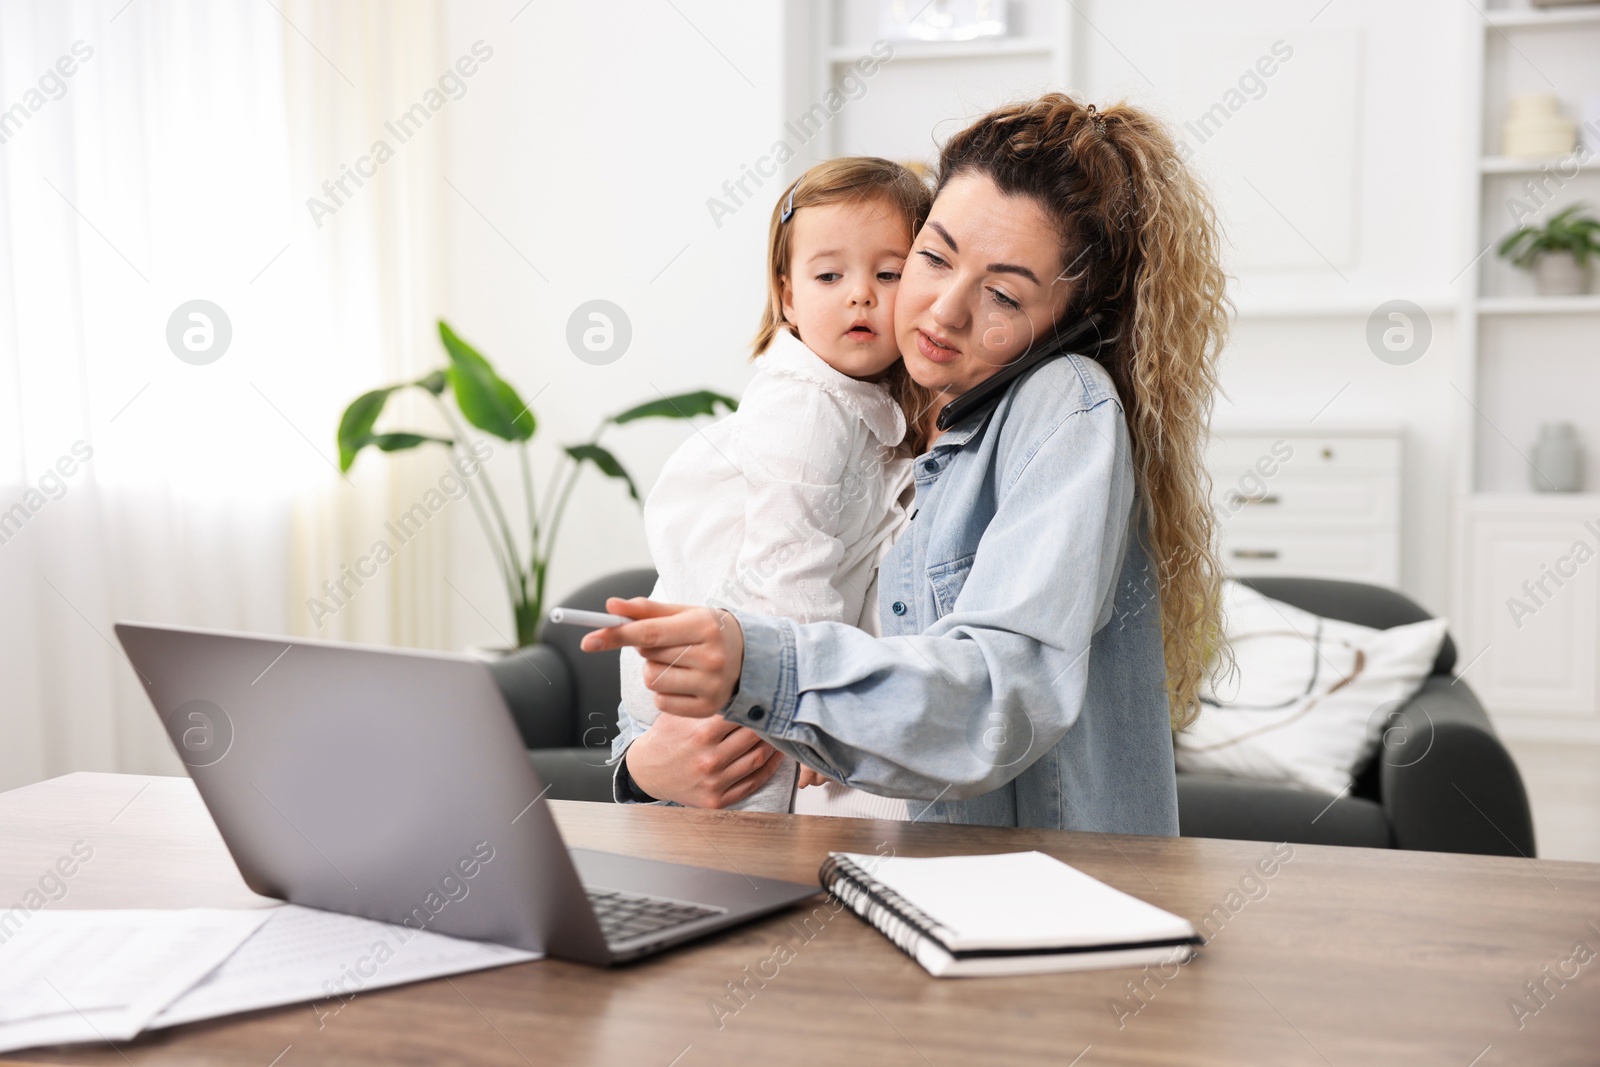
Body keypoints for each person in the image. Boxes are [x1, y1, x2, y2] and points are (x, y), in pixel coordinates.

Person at [594, 94, 1233, 835]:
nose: (942, 310)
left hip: (997, 906)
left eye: (1001, 293)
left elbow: (1005, 694)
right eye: (932, 257)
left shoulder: (1062, 407)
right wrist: (644, 769)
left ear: (1074, 316)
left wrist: (770, 673)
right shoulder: (843, 409)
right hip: (810, 883)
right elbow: (690, 626)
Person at [615, 157, 934, 814]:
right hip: (724, 669)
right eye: (829, 275)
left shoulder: (861, 407)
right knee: (749, 832)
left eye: (888, 273)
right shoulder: (808, 409)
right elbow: (788, 568)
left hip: (742, 663)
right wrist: (815, 713)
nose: (860, 294)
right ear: (787, 297)